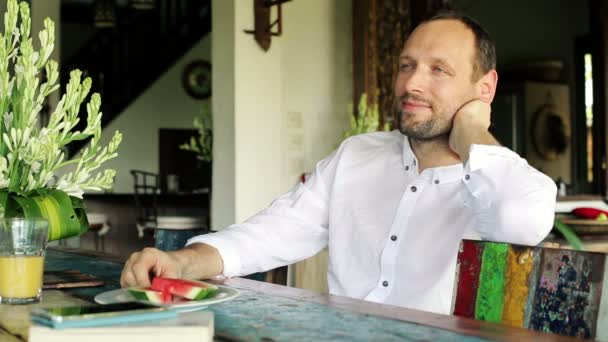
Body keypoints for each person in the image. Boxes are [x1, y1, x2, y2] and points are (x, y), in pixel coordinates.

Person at [121, 12, 557, 315]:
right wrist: (181, 263)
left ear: (485, 87)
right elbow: (270, 233)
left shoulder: (507, 181)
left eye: (438, 69)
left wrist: (470, 131)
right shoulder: (357, 155)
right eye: (406, 65)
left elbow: (520, 221)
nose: (411, 83)